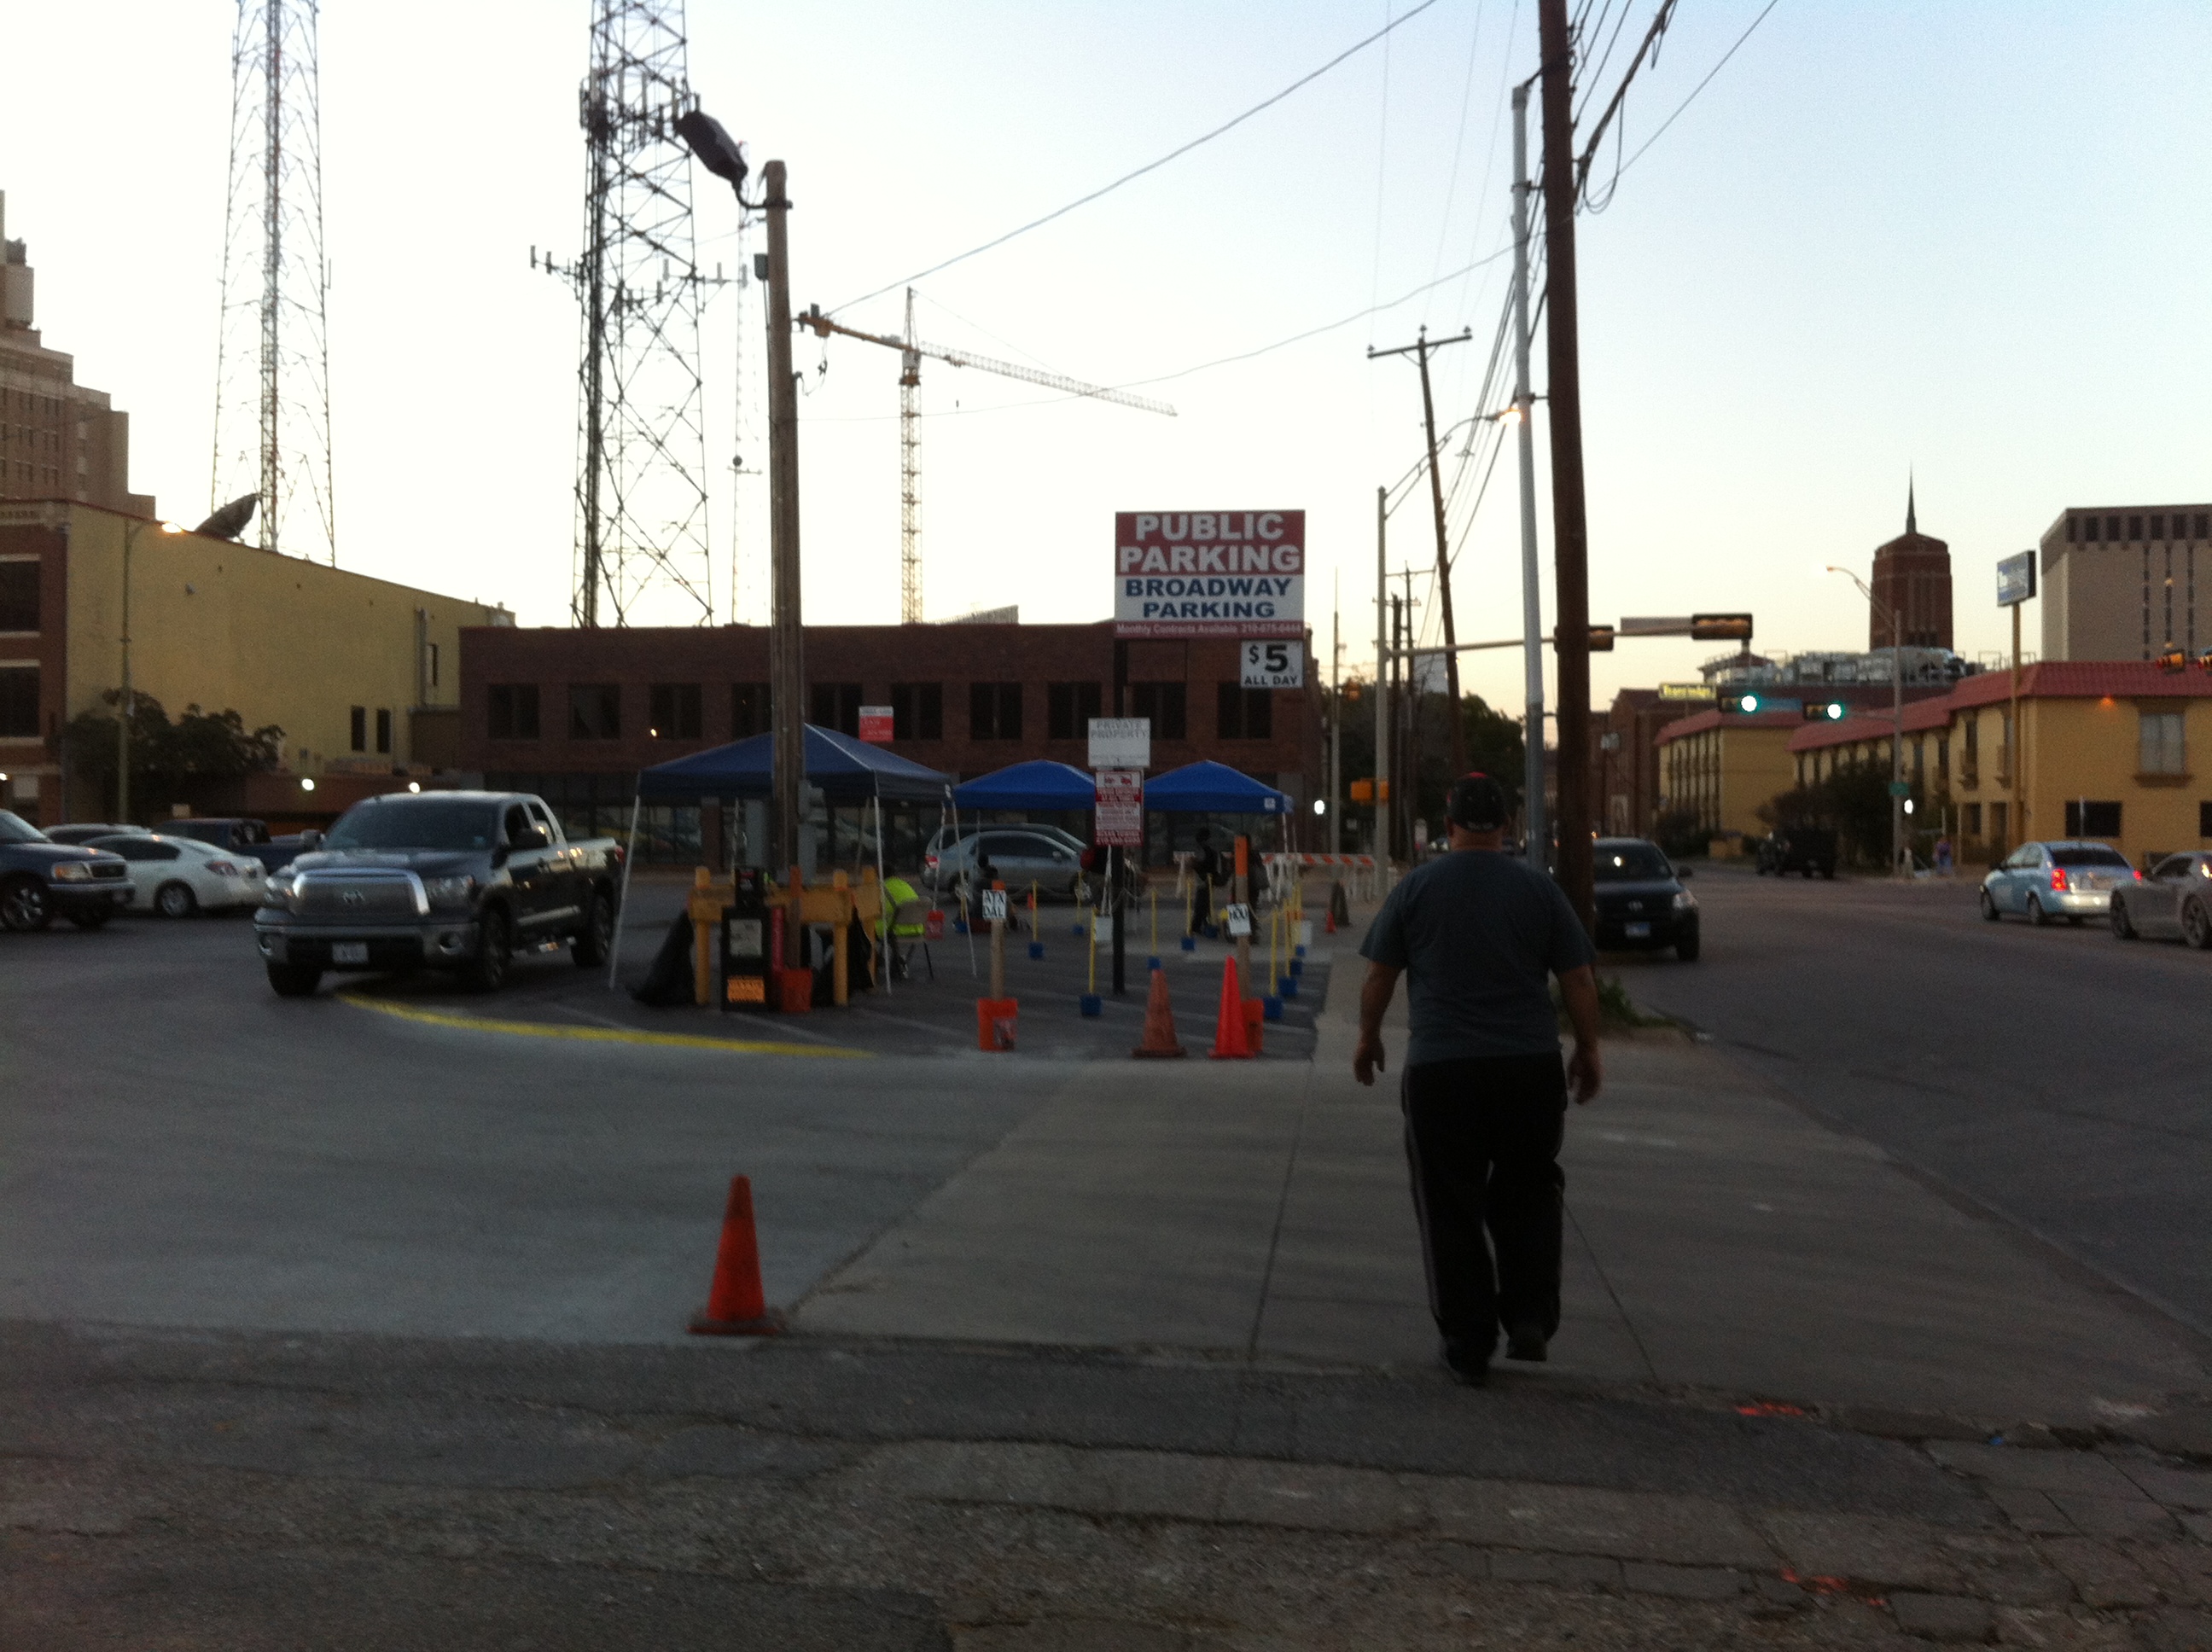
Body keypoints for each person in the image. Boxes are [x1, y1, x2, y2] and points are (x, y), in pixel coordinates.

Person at [1353, 772, 1604, 1387]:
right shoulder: (1538, 891)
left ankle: (1468, 1340)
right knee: (1530, 1189)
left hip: (1444, 1069)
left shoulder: (1417, 889)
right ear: (1509, 827)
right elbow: (1577, 980)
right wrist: (1589, 1048)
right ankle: (1528, 1315)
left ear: (1449, 825)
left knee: (1448, 1203)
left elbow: (1380, 976)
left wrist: (1369, 1037)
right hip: (1528, 1067)